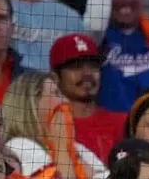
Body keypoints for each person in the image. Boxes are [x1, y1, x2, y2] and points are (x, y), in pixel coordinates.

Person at [2, 71, 110, 179]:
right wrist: (61, 146)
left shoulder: (76, 147)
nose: (65, 101)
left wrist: (69, 150)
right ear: (32, 103)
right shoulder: (19, 146)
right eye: (56, 93)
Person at [50, 32, 125, 166]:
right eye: (76, 67)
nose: (87, 74)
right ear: (55, 77)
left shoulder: (122, 123)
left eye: (93, 66)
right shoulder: (49, 128)